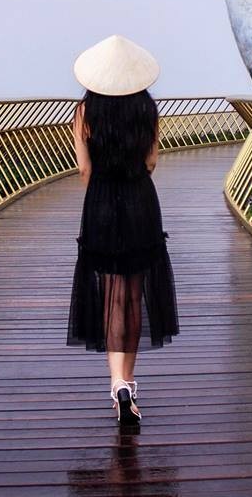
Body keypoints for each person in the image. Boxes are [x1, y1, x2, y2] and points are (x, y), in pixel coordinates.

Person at [66, 33, 180, 425]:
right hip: (140, 204)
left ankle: (117, 382)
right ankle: (128, 380)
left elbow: (84, 169)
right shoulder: (147, 110)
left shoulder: (84, 112)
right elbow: (150, 163)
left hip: (99, 203)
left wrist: (99, 198)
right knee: (133, 293)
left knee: (111, 293)